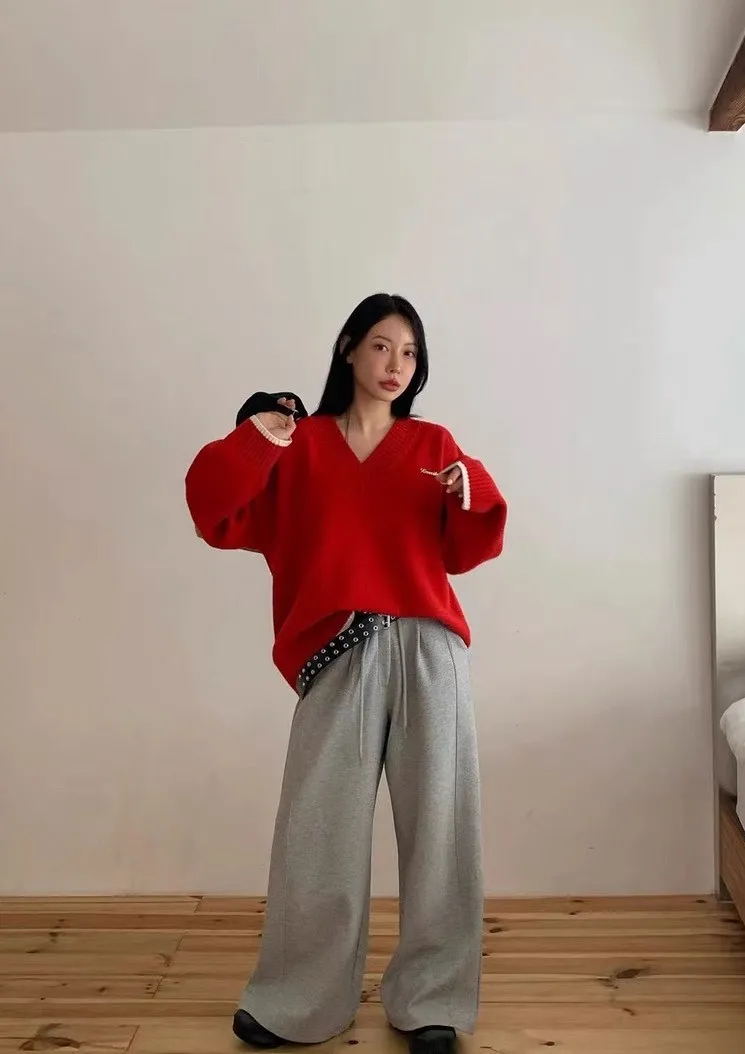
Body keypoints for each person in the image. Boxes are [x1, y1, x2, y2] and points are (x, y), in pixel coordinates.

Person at [185, 293, 507, 1053]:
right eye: (382, 346)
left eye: (410, 353)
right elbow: (213, 511)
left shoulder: (432, 443)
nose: (397, 365)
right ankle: (298, 999)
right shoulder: (299, 444)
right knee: (317, 832)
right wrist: (258, 436)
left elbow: (468, 547)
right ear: (349, 348)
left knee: (441, 829)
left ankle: (432, 1000)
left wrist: (470, 487)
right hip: (339, 650)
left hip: (429, 647)